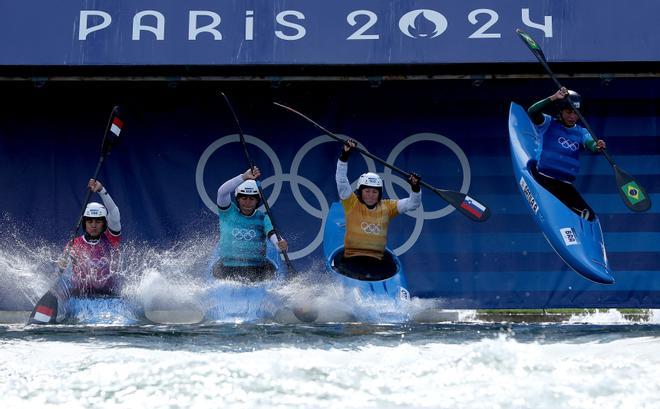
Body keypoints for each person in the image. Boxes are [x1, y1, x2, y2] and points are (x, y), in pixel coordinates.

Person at [334, 139, 421, 280]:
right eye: (367, 191)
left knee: (388, 267)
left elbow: (413, 204)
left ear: (379, 193)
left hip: (377, 262)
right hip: (351, 259)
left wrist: (415, 188)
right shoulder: (351, 203)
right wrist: (345, 155)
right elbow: (341, 179)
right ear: (360, 192)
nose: (371, 195)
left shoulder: (387, 207)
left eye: (374, 192)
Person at [527, 87, 606, 219]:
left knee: (589, 217)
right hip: (543, 179)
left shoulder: (581, 132)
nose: (572, 117)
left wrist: (597, 146)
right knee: (560, 207)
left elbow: (590, 143)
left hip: (564, 184)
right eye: (568, 112)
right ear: (561, 111)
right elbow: (532, 111)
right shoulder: (548, 123)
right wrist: (554, 97)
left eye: (576, 113)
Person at [212, 166, 288, 282]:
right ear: (237, 199)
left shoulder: (263, 218)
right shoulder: (227, 212)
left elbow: (272, 233)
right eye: (244, 198)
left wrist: (280, 244)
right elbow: (222, 192)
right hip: (227, 268)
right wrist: (243, 177)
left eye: (252, 199)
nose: (247, 203)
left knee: (271, 270)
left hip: (257, 270)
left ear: (257, 201)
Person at [59, 179, 122, 297]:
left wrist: (101, 190)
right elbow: (62, 272)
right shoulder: (73, 244)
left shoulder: (111, 240)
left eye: (98, 221)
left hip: (108, 298)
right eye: (90, 221)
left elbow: (114, 211)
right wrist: (61, 266)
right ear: (84, 223)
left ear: (104, 224)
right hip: (80, 298)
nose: (93, 225)